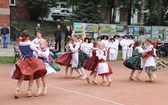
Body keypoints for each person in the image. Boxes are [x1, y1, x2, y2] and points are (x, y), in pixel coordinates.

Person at [11, 30, 47, 99]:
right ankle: (29, 91)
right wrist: (39, 53)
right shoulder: (30, 43)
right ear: (28, 37)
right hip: (30, 60)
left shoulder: (20, 44)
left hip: (23, 60)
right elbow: (36, 51)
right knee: (31, 75)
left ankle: (17, 90)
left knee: (22, 76)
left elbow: (20, 53)